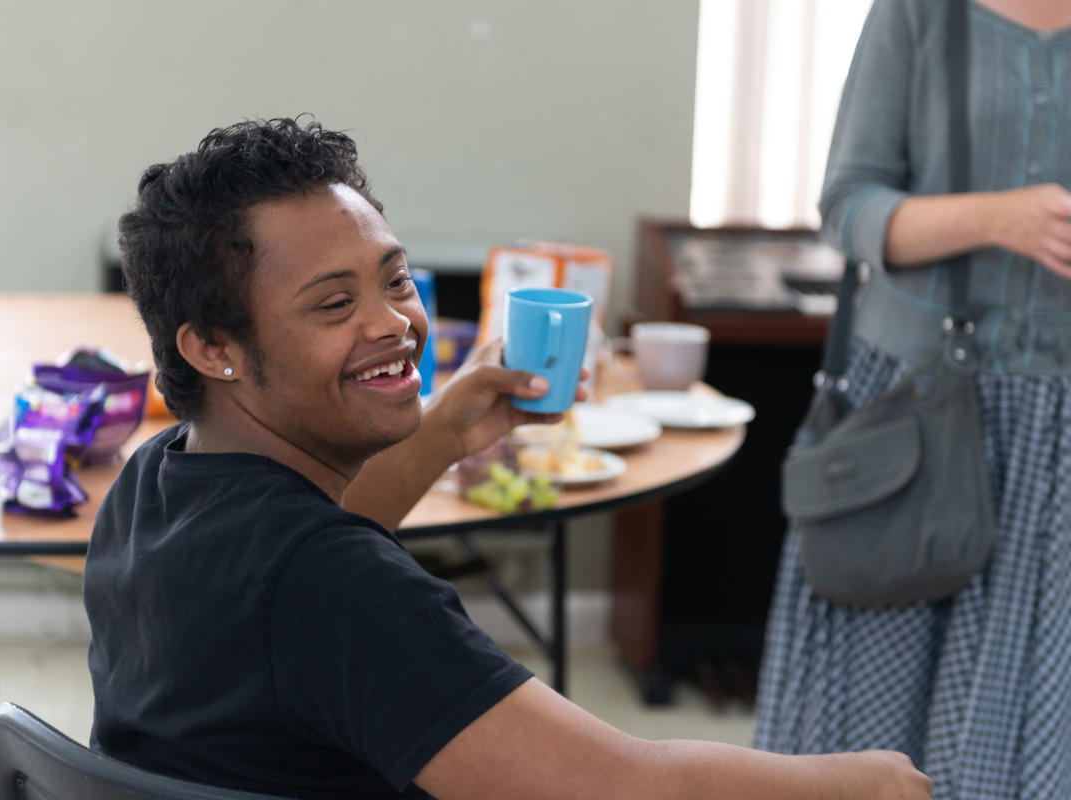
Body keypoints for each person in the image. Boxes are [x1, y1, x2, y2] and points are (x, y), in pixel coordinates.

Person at [83, 115, 932, 799]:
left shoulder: (157, 485)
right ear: (213, 348)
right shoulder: (339, 591)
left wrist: (450, 426)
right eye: (335, 303)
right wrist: (860, 783)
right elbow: (618, 789)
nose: (393, 324)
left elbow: (294, 567)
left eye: (395, 279)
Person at [755, 1, 1071, 798]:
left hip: (1058, 440)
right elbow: (848, 206)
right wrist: (1003, 217)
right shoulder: (920, 12)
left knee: (1034, 726)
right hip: (913, 414)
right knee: (864, 733)